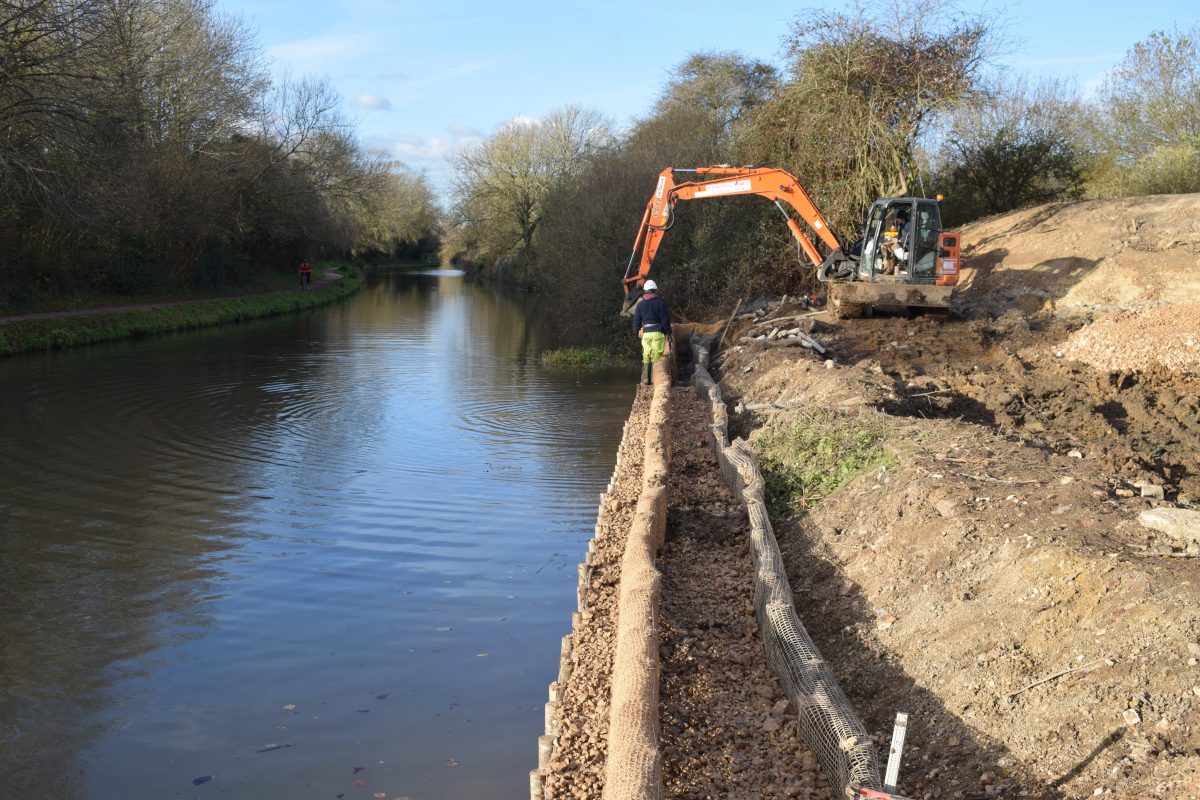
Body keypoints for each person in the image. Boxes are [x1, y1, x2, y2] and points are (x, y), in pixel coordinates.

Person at [631, 279, 671, 386]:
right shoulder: (660, 303)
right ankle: (655, 380)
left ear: (645, 291)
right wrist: (669, 333)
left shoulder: (640, 305)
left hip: (646, 334)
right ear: (655, 290)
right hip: (658, 333)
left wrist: (635, 332)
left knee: (646, 355)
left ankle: (647, 380)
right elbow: (665, 320)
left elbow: (636, 320)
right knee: (656, 357)